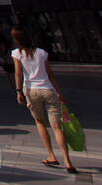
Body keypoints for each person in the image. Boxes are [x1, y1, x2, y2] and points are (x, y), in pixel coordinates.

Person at [11, 26, 77, 173]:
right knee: (57, 127)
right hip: (48, 89)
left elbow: (18, 73)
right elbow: (50, 74)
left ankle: (51, 154)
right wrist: (59, 93)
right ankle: (67, 161)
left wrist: (18, 91)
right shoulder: (42, 53)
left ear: (16, 39)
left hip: (31, 90)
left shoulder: (17, 53)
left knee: (40, 122)